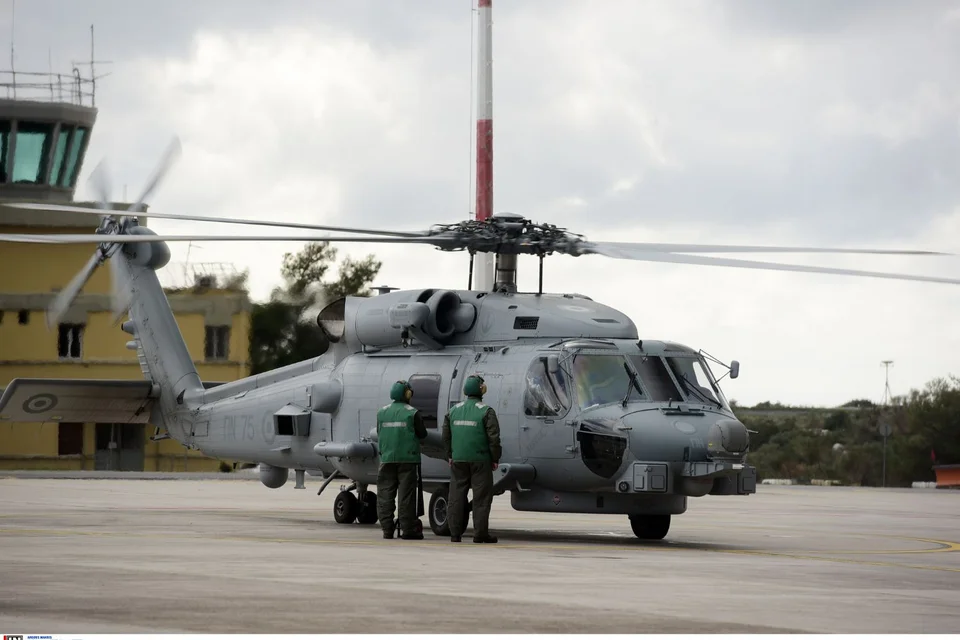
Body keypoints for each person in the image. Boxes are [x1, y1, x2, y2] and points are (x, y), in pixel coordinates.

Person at [441, 374, 502, 543]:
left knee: (456, 497)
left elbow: (445, 436)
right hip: (480, 461)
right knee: (481, 498)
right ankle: (480, 534)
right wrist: (495, 458)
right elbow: (494, 438)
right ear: (482, 389)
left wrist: (450, 455)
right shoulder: (486, 411)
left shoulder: (453, 411)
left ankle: (455, 534)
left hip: (458, 460)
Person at [376, 380, 427, 540]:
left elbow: (379, 432)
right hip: (407, 459)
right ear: (407, 394)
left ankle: (387, 530)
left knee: (385, 495)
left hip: (387, 459)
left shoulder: (381, 412)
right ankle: (408, 530)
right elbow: (422, 434)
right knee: (406, 497)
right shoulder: (412, 413)